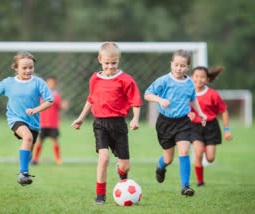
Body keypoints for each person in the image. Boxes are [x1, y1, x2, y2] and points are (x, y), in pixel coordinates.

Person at [71, 42, 142, 205]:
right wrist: (81, 118)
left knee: (125, 166)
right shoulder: (95, 79)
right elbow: (91, 99)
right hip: (100, 124)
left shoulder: (126, 80)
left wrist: (135, 118)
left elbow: (135, 101)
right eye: (107, 63)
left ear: (119, 61)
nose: (110, 67)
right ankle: (100, 195)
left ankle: (122, 174)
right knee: (103, 158)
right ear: (100, 60)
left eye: (114, 63)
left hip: (119, 125)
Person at [0, 52, 54, 186]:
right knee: (27, 137)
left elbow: (49, 101)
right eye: (24, 68)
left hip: (33, 122)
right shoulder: (8, 83)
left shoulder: (38, 82)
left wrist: (36, 110)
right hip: (15, 118)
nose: (28, 70)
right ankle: (23, 174)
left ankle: (25, 166)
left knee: (29, 153)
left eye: (31, 67)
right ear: (16, 68)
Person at [144, 49, 207, 196]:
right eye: (176, 65)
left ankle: (185, 186)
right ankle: (161, 166)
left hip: (183, 122)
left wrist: (200, 113)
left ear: (187, 68)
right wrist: (159, 99)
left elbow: (192, 98)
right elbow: (147, 94)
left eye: (182, 66)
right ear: (171, 64)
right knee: (169, 158)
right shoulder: (163, 80)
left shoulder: (190, 83)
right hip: (165, 123)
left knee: (184, 151)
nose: (179, 68)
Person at [189, 66, 232, 187]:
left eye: (202, 77)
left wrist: (227, 130)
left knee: (210, 158)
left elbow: (224, 111)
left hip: (211, 127)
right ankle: (200, 181)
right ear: (192, 78)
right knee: (197, 154)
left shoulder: (213, 94)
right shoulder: (189, 94)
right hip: (195, 127)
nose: (199, 79)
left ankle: (204, 147)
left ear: (207, 79)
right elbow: (186, 110)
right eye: (196, 76)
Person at [32, 76, 69, 165]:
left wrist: (63, 106)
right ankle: (35, 159)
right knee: (39, 141)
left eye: (53, 83)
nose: (51, 84)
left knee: (55, 141)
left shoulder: (57, 95)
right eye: (49, 83)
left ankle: (58, 159)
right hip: (42, 123)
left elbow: (59, 108)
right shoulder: (41, 94)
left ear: (55, 84)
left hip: (53, 124)